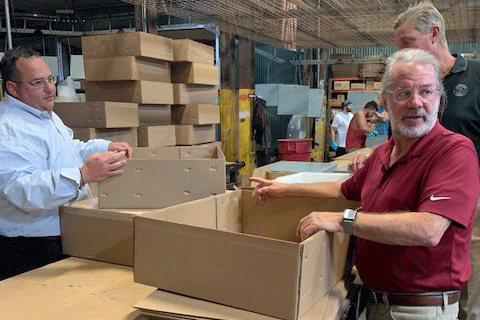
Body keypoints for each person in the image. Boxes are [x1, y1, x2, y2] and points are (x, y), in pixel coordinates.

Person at [251, 48, 480, 320]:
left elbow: (429, 229)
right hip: (375, 301)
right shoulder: (384, 152)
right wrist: (284, 188)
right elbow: (344, 189)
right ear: (384, 100)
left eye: (427, 92)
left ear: (439, 97)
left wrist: (344, 221)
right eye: (404, 93)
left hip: (419, 310)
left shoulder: (453, 152)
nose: (416, 102)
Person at [348, 2, 480, 319]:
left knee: (469, 300)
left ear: (434, 34)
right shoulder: (411, 82)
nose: (400, 52)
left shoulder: (475, 78)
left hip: (468, 203)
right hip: (420, 200)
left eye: (406, 42)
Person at [0, 46, 133, 280]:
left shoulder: (44, 114)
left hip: (62, 238)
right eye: (37, 82)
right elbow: (21, 189)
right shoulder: (8, 129)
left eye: (50, 79)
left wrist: (105, 148)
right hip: (30, 251)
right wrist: (81, 175)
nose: (50, 88)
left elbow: (69, 150)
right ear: (13, 88)